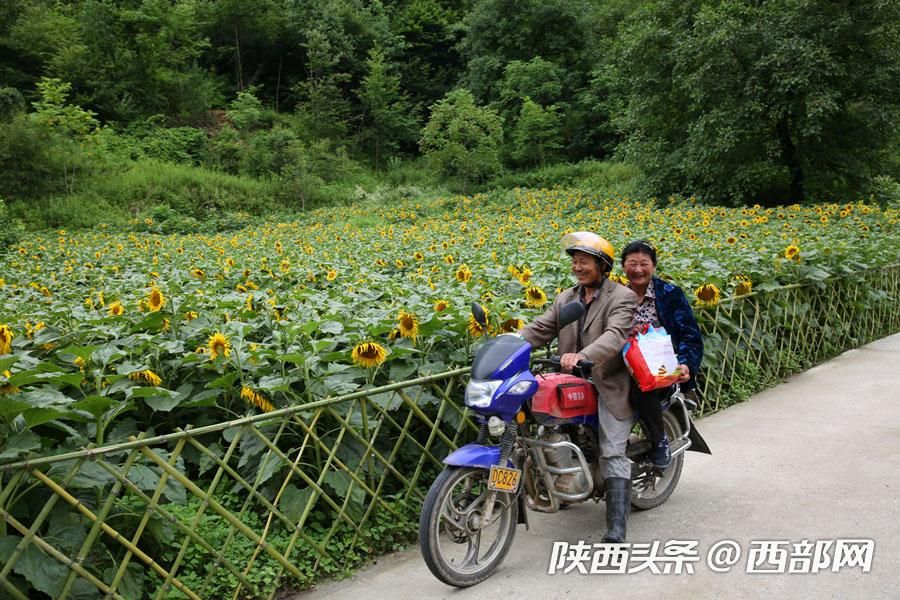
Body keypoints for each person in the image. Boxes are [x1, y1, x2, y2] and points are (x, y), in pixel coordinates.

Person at [519, 232, 637, 543]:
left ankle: (616, 527)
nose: (577, 266)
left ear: (603, 265)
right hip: (569, 384)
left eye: (584, 261)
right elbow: (541, 328)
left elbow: (615, 336)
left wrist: (584, 356)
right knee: (543, 428)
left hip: (607, 383)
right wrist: (508, 343)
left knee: (612, 451)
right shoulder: (565, 299)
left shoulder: (621, 297)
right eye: (575, 260)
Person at [620, 240, 703, 468]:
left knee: (641, 387)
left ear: (654, 266)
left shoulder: (669, 293)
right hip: (620, 363)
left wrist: (685, 364)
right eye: (632, 264)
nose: (638, 269)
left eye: (644, 264)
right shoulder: (616, 295)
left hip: (661, 365)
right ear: (623, 267)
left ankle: (660, 442)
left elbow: (690, 335)